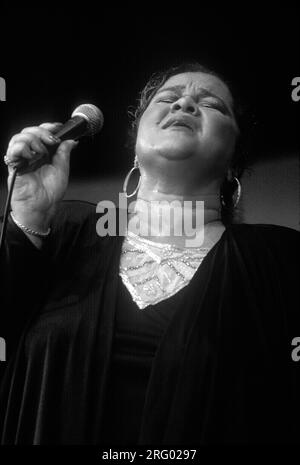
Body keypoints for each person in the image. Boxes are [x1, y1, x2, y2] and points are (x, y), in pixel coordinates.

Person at [0, 63, 299, 445]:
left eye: (211, 105)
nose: (185, 104)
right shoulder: (63, 227)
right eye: (168, 99)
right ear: (136, 148)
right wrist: (25, 216)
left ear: (233, 161)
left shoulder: (278, 261)